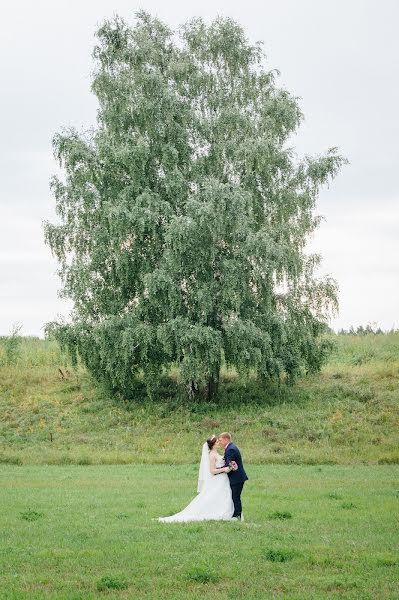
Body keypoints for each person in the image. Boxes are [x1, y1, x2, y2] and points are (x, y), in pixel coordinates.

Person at [157, 435, 234, 522]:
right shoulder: (212, 455)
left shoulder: (215, 453)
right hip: (219, 479)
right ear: (212, 445)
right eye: (216, 442)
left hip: (222, 479)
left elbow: (218, 464)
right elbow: (212, 471)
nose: (218, 443)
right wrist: (224, 469)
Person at [218, 432, 248, 520]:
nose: (219, 442)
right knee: (235, 496)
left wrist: (216, 470)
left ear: (226, 439)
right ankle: (236, 514)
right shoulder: (230, 447)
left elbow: (228, 465)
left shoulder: (230, 449)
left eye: (220, 440)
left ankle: (237, 516)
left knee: (235, 497)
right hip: (237, 477)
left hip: (237, 477)